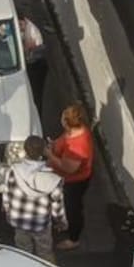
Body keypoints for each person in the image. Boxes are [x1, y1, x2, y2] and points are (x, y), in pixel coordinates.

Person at [3, 136, 67, 262]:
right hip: (41, 223)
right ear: (43, 151)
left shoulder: (13, 171)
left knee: (23, 252)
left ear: (25, 150)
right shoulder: (52, 178)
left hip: (19, 220)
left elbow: (7, 194)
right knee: (45, 252)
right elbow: (57, 204)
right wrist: (61, 221)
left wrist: (7, 211)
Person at [47, 104, 95, 249]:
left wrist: (49, 154)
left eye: (63, 118)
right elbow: (63, 142)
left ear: (68, 123)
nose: (60, 119)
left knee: (73, 208)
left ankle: (74, 238)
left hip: (75, 182)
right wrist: (54, 145)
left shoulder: (78, 146)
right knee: (66, 204)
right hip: (65, 177)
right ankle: (65, 224)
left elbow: (69, 168)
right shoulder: (73, 132)